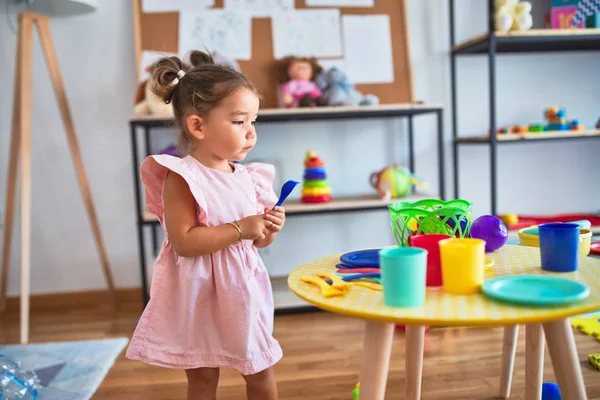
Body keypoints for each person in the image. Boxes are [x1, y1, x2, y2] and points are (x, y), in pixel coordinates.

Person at [125, 50, 286, 400]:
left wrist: (267, 228)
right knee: (201, 378)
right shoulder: (182, 178)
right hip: (196, 294)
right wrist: (243, 227)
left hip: (242, 292)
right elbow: (183, 241)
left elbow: (256, 244)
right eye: (239, 121)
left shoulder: (250, 178)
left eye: (253, 121)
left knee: (260, 369)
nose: (251, 133)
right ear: (197, 125)